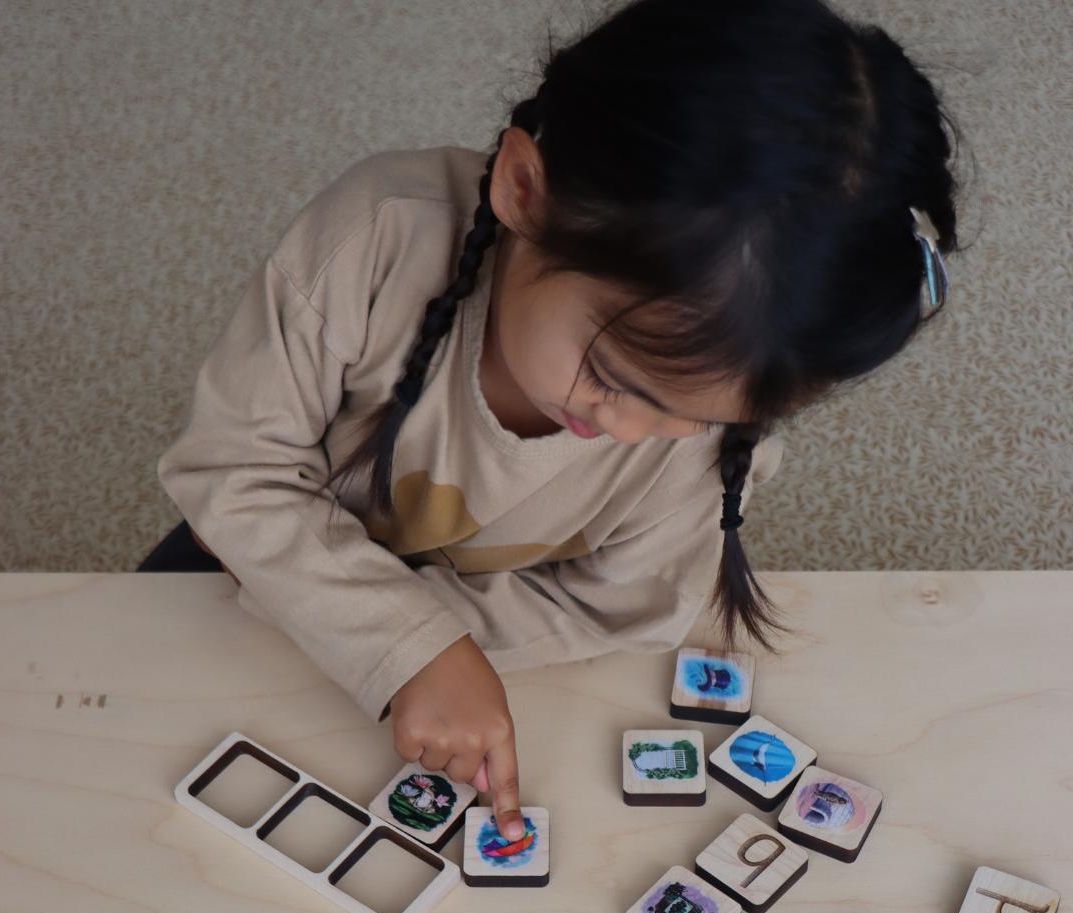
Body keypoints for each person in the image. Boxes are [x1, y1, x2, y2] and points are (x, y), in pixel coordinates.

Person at [141, 0, 964, 843]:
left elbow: (622, 608)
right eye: (611, 378)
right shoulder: (378, 238)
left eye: (693, 415)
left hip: (392, 647)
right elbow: (232, 474)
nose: (636, 432)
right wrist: (407, 642)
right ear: (523, 190)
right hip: (235, 573)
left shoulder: (706, 436)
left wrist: (418, 647)